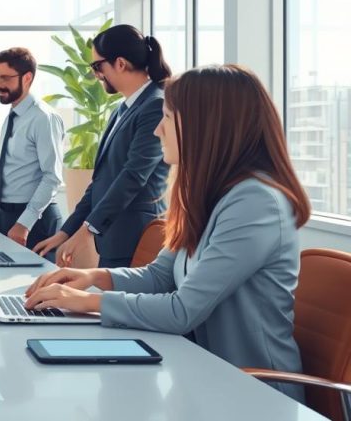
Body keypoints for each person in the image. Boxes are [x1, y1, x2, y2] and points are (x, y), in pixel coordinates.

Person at [24, 65, 309, 402]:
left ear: (207, 127)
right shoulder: (208, 195)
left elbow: (183, 309)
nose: (158, 129)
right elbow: (162, 276)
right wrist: (92, 276)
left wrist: (88, 302)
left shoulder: (256, 203)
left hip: (253, 394)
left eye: (168, 118)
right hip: (200, 376)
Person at [33, 24, 171, 268]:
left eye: (97, 66)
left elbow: (133, 176)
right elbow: (101, 182)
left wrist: (86, 231)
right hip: (114, 239)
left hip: (137, 239)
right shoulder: (121, 110)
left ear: (120, 63)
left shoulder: (154, 105)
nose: (96, 75)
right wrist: (65, 232)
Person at [0, 48, 64, 253]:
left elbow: (52, 177)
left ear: (27, 78)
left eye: (6, 78)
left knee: (38, 284)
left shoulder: (43, 118)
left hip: (35, 221)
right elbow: (5, 169)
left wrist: (25, 222)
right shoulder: (12, 116)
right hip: (7, 217)